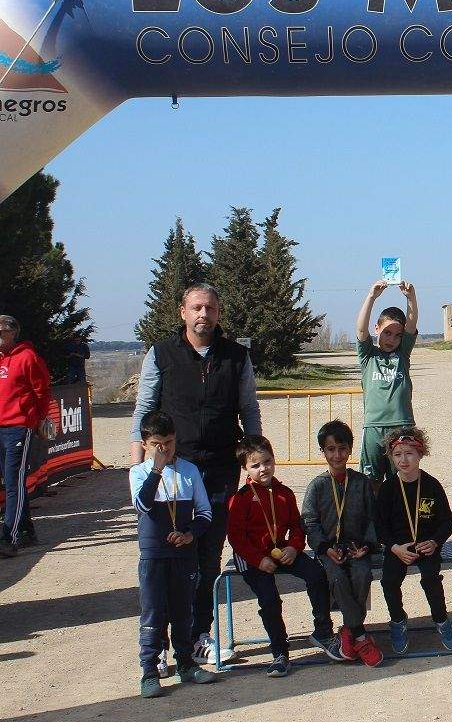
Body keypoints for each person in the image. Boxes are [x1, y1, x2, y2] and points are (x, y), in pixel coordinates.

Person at [129, 284, 261, 664]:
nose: (204, 314)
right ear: (182, 312)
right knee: (169, 557)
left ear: (219, 313)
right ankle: (161, 644)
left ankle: (199, 634)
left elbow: (249, 409)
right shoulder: (161, 354)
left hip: (220, 468)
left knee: (206, 555)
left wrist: (254, 459)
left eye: (212, 308)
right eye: (197, 307)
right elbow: (144, 410)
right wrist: (141, 463)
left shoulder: (237, 357)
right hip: (172, 469)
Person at [226, 434, 338, 676]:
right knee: (269, 599)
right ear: (245, 468)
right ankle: (279, 652)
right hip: (252, 557)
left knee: (317, 574)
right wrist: (259, 560)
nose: (263, 468)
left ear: (274, 460)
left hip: (281, 550)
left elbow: (297, 527)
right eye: (255, 465)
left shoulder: (284, 493)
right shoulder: (241, 498)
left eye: (267, 461)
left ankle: (322, 631)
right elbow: (236, 538)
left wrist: (293, 547)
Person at [130, 410, 217, 698]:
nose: (165, 449)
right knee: (153, 612)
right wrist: (156, 469)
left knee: (183, 611)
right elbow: (142, 506)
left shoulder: (189, 470)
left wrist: (190, 533)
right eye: (158, 444)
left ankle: (186, 664)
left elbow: (205, 512)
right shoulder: (138, 472)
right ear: (145, 444)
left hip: (184, 552)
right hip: (153, 554)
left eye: (169, 442)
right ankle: (149, 672)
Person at [300, 421, 378, 662]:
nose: (337, 455)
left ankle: (347, 631)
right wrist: (324, 547)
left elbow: (373, 518)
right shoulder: (317, 486)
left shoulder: (362, 483)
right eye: (330, 449)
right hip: (329, 550)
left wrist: (367, 545)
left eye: (342, 449)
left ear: (350, 449)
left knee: (362, 576)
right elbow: (309, 523)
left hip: (357, 548)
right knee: (337, 578)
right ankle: (360, 634)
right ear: (322, 451)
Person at [377, 427, 452, 653]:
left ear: (421, 454)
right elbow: (379, 526)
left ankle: (441, 620)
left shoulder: (432, 485)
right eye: (398, 454)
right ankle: (398, 620)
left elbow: (447, 521)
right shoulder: (388, 488)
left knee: (431, 577)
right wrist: (394, 548)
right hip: (398, 547)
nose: (403, 460)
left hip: (426, 545)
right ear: (391, 457)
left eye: (409, 453)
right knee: (389, 581)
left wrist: (434, 542)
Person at [355, 279, 419, 485]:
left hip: (402, 426)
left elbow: (411, 325)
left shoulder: (402, 355)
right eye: (386, 333)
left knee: (401, 480)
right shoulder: (368, 356)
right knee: (370, 481)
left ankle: (398, 518)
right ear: (377, 329)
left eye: (397, 335)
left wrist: (411, 298)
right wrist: (371, 296)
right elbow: (360, 330)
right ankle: (373, 518)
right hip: (374, 427)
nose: (391, 339)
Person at [0, 314, 52, 554]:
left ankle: (9, 536)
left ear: (12, 332)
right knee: (10, 481)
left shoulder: (27, 357)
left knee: (14, 481)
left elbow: (42, 390)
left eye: (1, 332)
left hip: (19, 427)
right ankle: (26, 529)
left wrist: (39, 419)